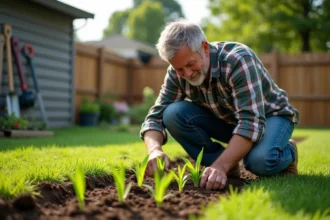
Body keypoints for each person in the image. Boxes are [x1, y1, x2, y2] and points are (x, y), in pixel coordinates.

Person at [140, 19, 299, 190]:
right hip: (229, 121)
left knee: (259, 162)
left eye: (190, 64)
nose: (186, 74)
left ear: (205, 48)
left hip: (270, 118)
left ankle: (289, 151)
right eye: (179, 68)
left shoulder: (238, 60)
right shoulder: (176, 73)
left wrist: (219, 166)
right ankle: (228, 165)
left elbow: (250, 123)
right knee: (172, 114)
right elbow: (155, 117)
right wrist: (155, 150)